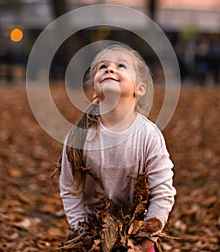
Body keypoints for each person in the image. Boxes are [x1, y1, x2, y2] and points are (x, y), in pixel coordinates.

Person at [59, 44, 176, 252]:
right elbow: (70, 190)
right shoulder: (79, 136)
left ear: (140, 88)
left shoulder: (148, 135)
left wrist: (145, 240)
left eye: (121, 65)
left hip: (137, 235)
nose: (110, 69)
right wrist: (82, 233)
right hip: (92, 235)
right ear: (94, 89)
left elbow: (162, 192)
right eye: (102, 67)